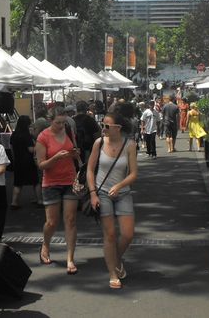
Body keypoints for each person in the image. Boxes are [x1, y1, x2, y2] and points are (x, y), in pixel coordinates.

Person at [87, 113, 138, 289]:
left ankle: (114, 259)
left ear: (118, 128)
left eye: (107, 126)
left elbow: (133, 174)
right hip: (102, 192)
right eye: (103, 125)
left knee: (128, 234)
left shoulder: (129, 145)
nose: (103, 128)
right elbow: (89, 170)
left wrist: (120, 185)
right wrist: (93, 193)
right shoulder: (99, 143)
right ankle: (112, 272)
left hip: (122, 192)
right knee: (109, 235)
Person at [35, 106, 82, 274]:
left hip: (70, 180)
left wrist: (75, 153)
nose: (61, 125)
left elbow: (75, 152)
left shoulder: (68, 130)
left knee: (70, 220)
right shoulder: (43, 137)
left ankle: (70, 259)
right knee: (52, 222)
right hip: (51, 182)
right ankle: (45, 245)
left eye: (63, 122)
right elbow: (41, 165)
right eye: (58, 123)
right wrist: (56, 157)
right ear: (50, 121)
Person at [10, 116, 43, 208]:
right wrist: (37, 144)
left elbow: (12, 148)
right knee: (35, 181)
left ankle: (14, 202)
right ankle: (39, 200)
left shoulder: (14, 135)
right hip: (28, 161)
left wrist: (14, 159)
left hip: (18, 161)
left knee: (18, 183)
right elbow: (31, 150)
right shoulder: (27, 135)